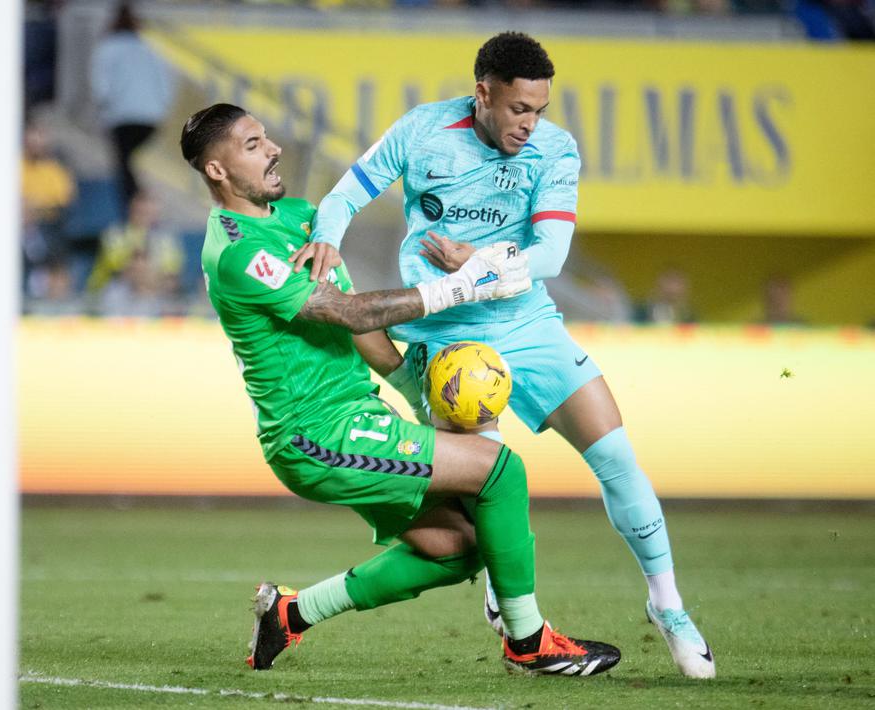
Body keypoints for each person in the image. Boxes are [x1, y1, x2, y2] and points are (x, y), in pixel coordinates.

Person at [293, 32, 714, 679]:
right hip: (447, 336)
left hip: (527, 323)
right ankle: (515, 617)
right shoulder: (423, 130)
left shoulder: (554, 149)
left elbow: (550, 254)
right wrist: (325, 240)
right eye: (519, 108)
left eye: (539, 109)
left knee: (616, 458)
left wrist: (480, 262)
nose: (530, 123)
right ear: (483, 93)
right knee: (485, 485)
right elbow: (345, 193)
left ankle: (669, 607)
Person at [181, 102, 621, 676]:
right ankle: (529, 641)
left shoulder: (300, 217)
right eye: (252, 144)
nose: (274, 149)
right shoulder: (237, 250)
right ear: (218, 171)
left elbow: (362, 331)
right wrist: (456, 288)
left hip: (356, 416)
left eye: (266, 138)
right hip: (311, 435)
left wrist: (414, 390)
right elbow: (342, 312)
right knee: (499, 471)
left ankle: (290, 614)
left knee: (460, 547)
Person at [90, 2, 174, 203]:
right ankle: (141, 200)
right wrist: (160, 108)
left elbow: (101, 85)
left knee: (124, 164)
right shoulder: (151, 48)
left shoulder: (108, 47)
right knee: (134, 162)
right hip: (152, 116)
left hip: (122, 115)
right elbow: (166, 84)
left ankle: (133, 204)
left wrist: (103, 108)